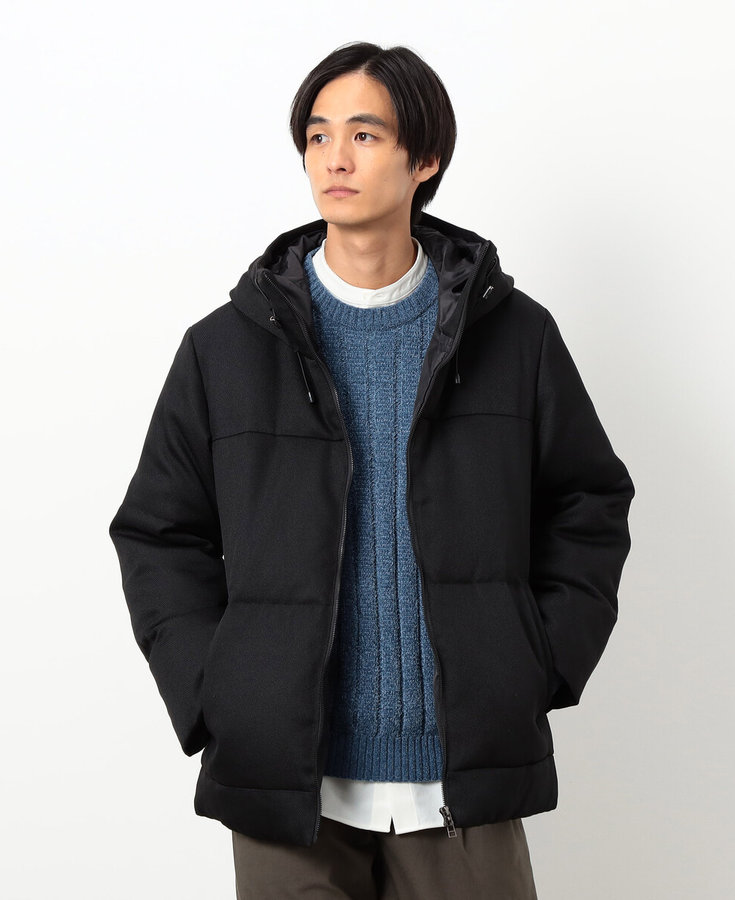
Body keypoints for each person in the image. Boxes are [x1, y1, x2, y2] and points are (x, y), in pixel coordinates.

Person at [109, 41, 635, 899]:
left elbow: (590, 504)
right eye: (317, 137)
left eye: (364, 135)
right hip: (288, 785)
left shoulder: (517, 339)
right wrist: (217, 692)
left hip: (460, 782)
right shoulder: (224, 349)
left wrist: (533, 664)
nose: (335, 160)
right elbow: (157, 533)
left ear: (425, 159)